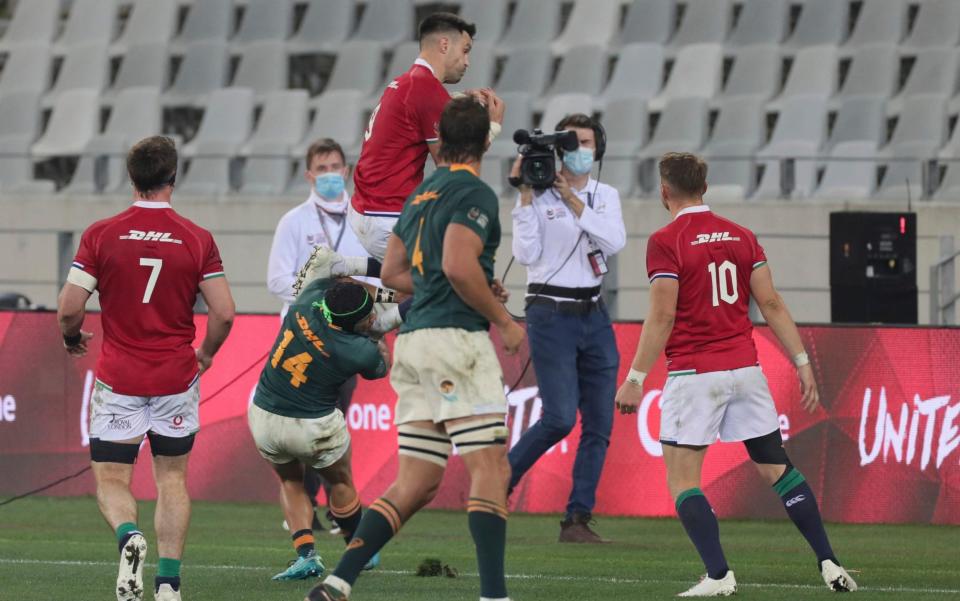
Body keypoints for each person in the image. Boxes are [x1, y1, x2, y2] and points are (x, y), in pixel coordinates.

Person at [306, 96, 524, 601]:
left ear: (440, 140)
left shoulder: (421, 194)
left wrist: (460, 283)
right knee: (490, 468)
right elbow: (456, 265)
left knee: (417, 482)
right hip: (456, 342)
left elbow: (393, 273)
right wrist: (503, 319)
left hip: (414, 342)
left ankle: (339, 582)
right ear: (483, 142)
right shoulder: (475, 192)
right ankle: (495, 595)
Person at [614, 153, 858, 597]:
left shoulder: (666, 240)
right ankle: (829, 561)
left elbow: (663, 314)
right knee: (777, 469)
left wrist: (635, 376)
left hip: (695, 373)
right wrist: (803, 363)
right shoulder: (743, 236)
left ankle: (719, 574)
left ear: (664, 191)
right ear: (704, 188)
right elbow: (772, 304)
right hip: (746, 370)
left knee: (683, 479)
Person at [56, 136, 235, 601]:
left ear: (132, 177)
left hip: (120, 379)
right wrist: (209, 351)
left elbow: (69, 307)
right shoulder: (197, 238)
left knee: (112, 478)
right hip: (175, 377)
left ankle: (128, 537)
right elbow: (224, 313)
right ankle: (169, 585)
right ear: (173, 178)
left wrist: (72, 337)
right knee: (171, 478)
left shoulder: (102, 234)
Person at [506, 113, 625, 543]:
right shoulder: (536, 196)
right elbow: (524, 253)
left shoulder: (605, 194)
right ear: (558, 150)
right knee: (558, 417)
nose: (580, 151)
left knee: (599, 423)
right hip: (549, 311)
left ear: (600, 148)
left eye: (588, 142)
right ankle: (502, 480)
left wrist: (574, 201)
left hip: (593, 312)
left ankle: (577, 518)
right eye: (573, 144)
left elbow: (614, 242)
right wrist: (524, 197)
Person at [266, 138, 375, 534]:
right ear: (310, 174)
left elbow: (377, 273)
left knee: (335, 424)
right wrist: (320, 291)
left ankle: (337, 505)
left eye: (336, 167)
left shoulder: (363, 218)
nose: (330, 175)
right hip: (303, 337)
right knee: (302, 424)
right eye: (322, 168)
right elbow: (276, 280)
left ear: (346, 171)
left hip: (346, 338)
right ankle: (306, 505)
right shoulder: (294, 221)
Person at [249, 276, 389, 581]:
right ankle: (358, 547)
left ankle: (306, 556)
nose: (372, 318)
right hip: (314, 425)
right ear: (356, 323)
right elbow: (380, 367)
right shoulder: (357, 350)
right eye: (368, 316)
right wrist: (380, 331)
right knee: (339, 481)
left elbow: (332, 275)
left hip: (265, 416)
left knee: (290, 482)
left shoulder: (306, 299)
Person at [347, 11, 504, 263]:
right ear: (444, 45)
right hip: (388, 216)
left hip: (367, 208)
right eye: (465, 50)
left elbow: (419, 114)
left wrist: (455, 99)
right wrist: (493, 126)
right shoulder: (426, 90)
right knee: (453, 282)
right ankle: (342, 278)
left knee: (416, 287)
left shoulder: (406, 82)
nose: (467, 62)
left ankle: (343, 266)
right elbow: (454, 166)